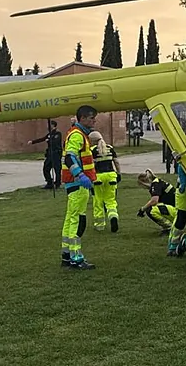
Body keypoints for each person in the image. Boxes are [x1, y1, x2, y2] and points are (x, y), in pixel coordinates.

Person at [59, 106, 98, 269]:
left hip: (73, 183)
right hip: (78, 184)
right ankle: (76, 258)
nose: (94, 121)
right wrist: (80, 174)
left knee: (70, 218)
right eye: (91, 118)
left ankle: (67, 256)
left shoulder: (76, 134)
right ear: (82, 118)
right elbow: (69, 157)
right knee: (77, 220)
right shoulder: (78, 135)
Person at [89, 129, 121, 232]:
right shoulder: (110, 148)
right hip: (111, 176)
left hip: (98, 177)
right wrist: (118, 173)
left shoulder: (92, 150)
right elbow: (116, 162)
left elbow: (91, 165)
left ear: (92, 140)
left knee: (98, 201)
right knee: (110, 200)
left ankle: (100, 225)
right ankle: (113, 216)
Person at [28, 120, 64, 188]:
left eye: (49, 125)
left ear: (53, 125)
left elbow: (55, 142)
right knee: (46, 168)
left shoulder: (57, 133)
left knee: (57, 169)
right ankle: (49, 182)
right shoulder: (49, 134)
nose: (47, 126)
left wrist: (49, 140)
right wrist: (32, 142)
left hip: (56, 154)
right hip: (50, 154)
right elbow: (42, 139)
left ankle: (57, 183)